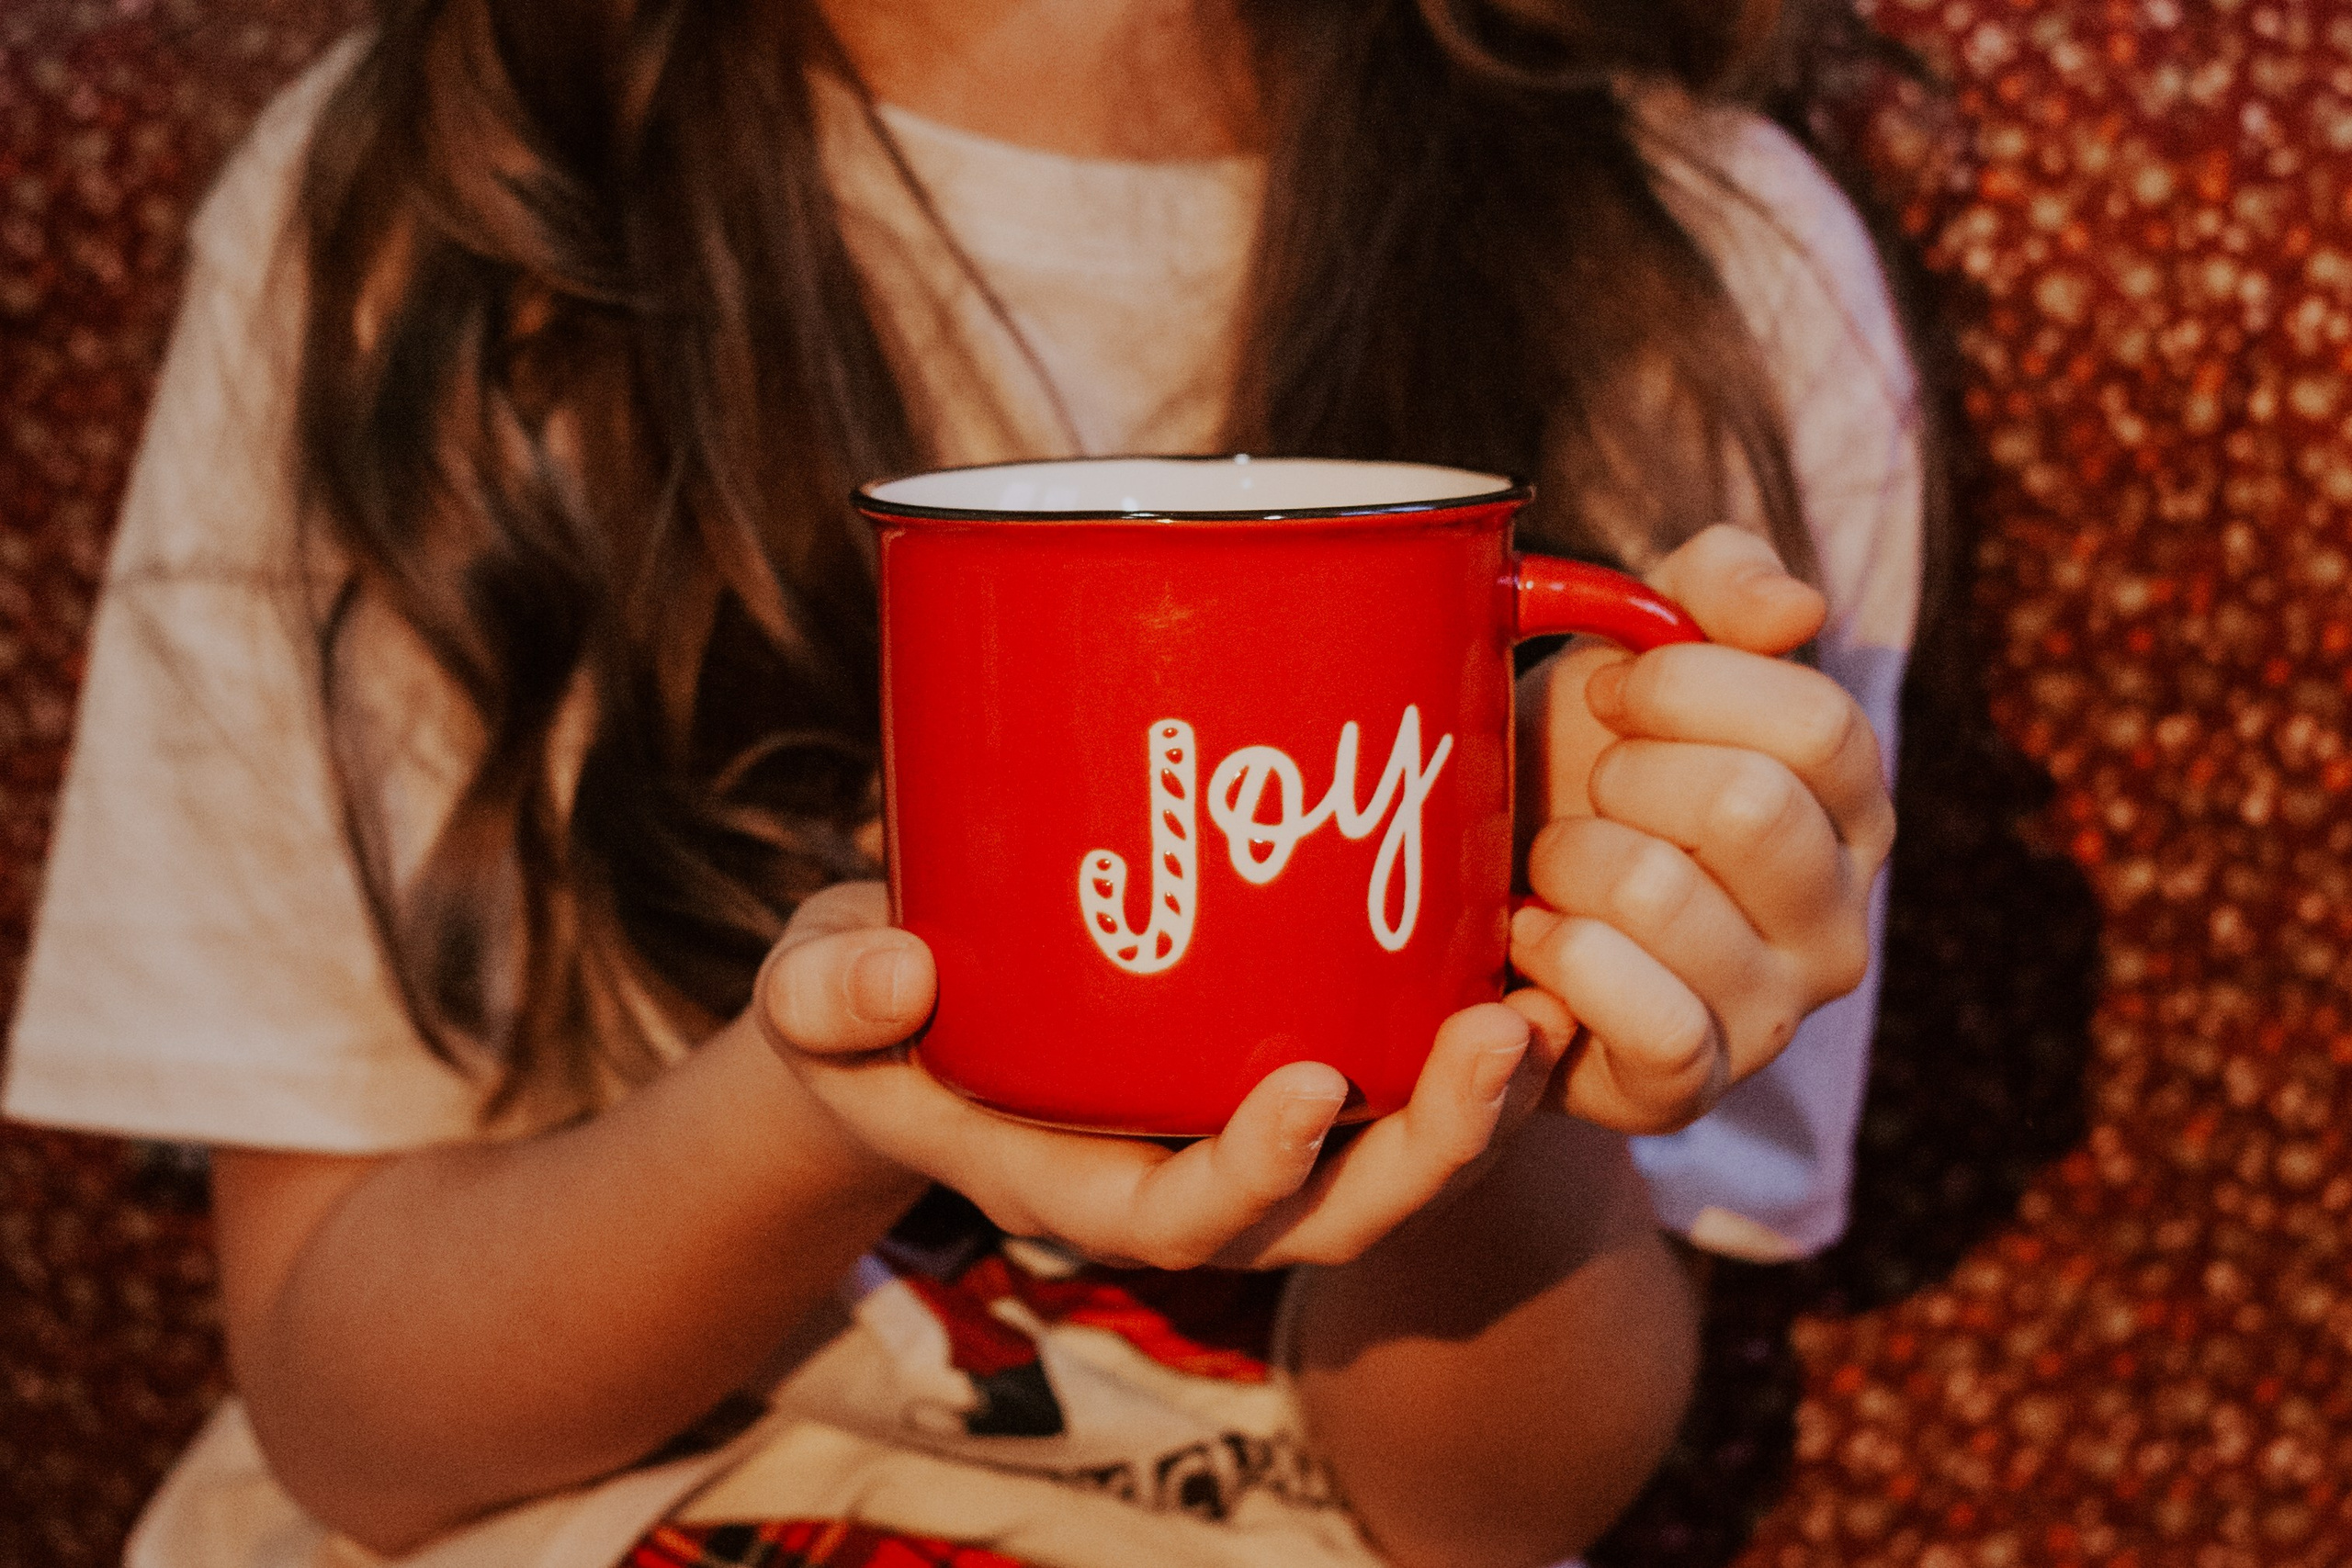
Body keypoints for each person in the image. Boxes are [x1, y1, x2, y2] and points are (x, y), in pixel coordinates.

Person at [2, 0, 1925, 1564]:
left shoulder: (1692, 269)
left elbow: (1489, 1505)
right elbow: (352, 1419)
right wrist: (814, 1116)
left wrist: (1528, 1042)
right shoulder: (433, 204)